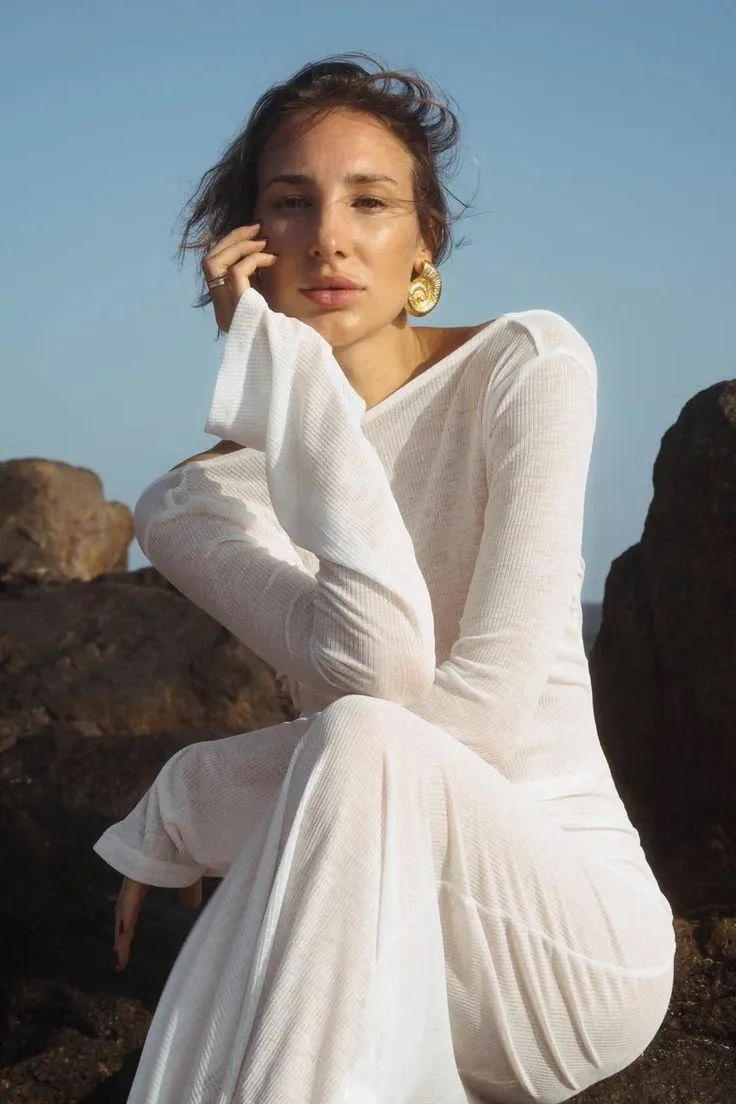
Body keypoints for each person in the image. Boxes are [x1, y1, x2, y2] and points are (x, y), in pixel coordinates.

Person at [93, 54, 675, 1104]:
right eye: (291, 202)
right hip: (370, 932)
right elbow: (378, 660)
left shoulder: (526, 367)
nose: (329, 237)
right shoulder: (189, 506)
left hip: (560, 937)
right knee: (362, 734)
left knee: (363, 737)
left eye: (370, 201)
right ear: (244, 246)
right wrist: (296, 392)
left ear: (424, 242)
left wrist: (194, 793)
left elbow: (467, 719)